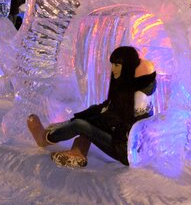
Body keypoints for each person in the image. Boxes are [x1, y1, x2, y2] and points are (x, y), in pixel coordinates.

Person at [27, 46, 157, 168]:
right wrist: (80, 118)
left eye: (117, 65)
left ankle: (44, 139)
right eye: (112, 64)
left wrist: (78, 122)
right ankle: (77, 152)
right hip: (121, 139)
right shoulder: (125, 87)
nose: (113, 69)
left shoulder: (139, 97)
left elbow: (115, 120)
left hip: (125, 150)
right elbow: (106, 109)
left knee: (80, 125)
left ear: (128, 67)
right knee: (90, 118)